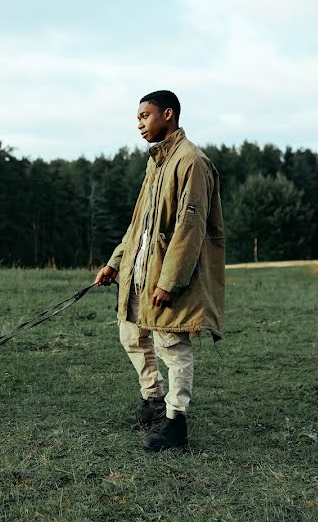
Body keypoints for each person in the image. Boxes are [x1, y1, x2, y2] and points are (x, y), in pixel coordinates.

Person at [94, 90, 225, 451]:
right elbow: (138, 224)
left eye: (145, 116)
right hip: (139, 270)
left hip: (168, 276)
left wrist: (170, 281)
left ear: (168, 115)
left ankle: (175, 423)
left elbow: (189, 228)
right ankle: (153, 401)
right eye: (137, 117)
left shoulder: (191, 162)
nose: (139, 124)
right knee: (131, 334)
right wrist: (114, 263)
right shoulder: (156, 162)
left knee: (172, 343)